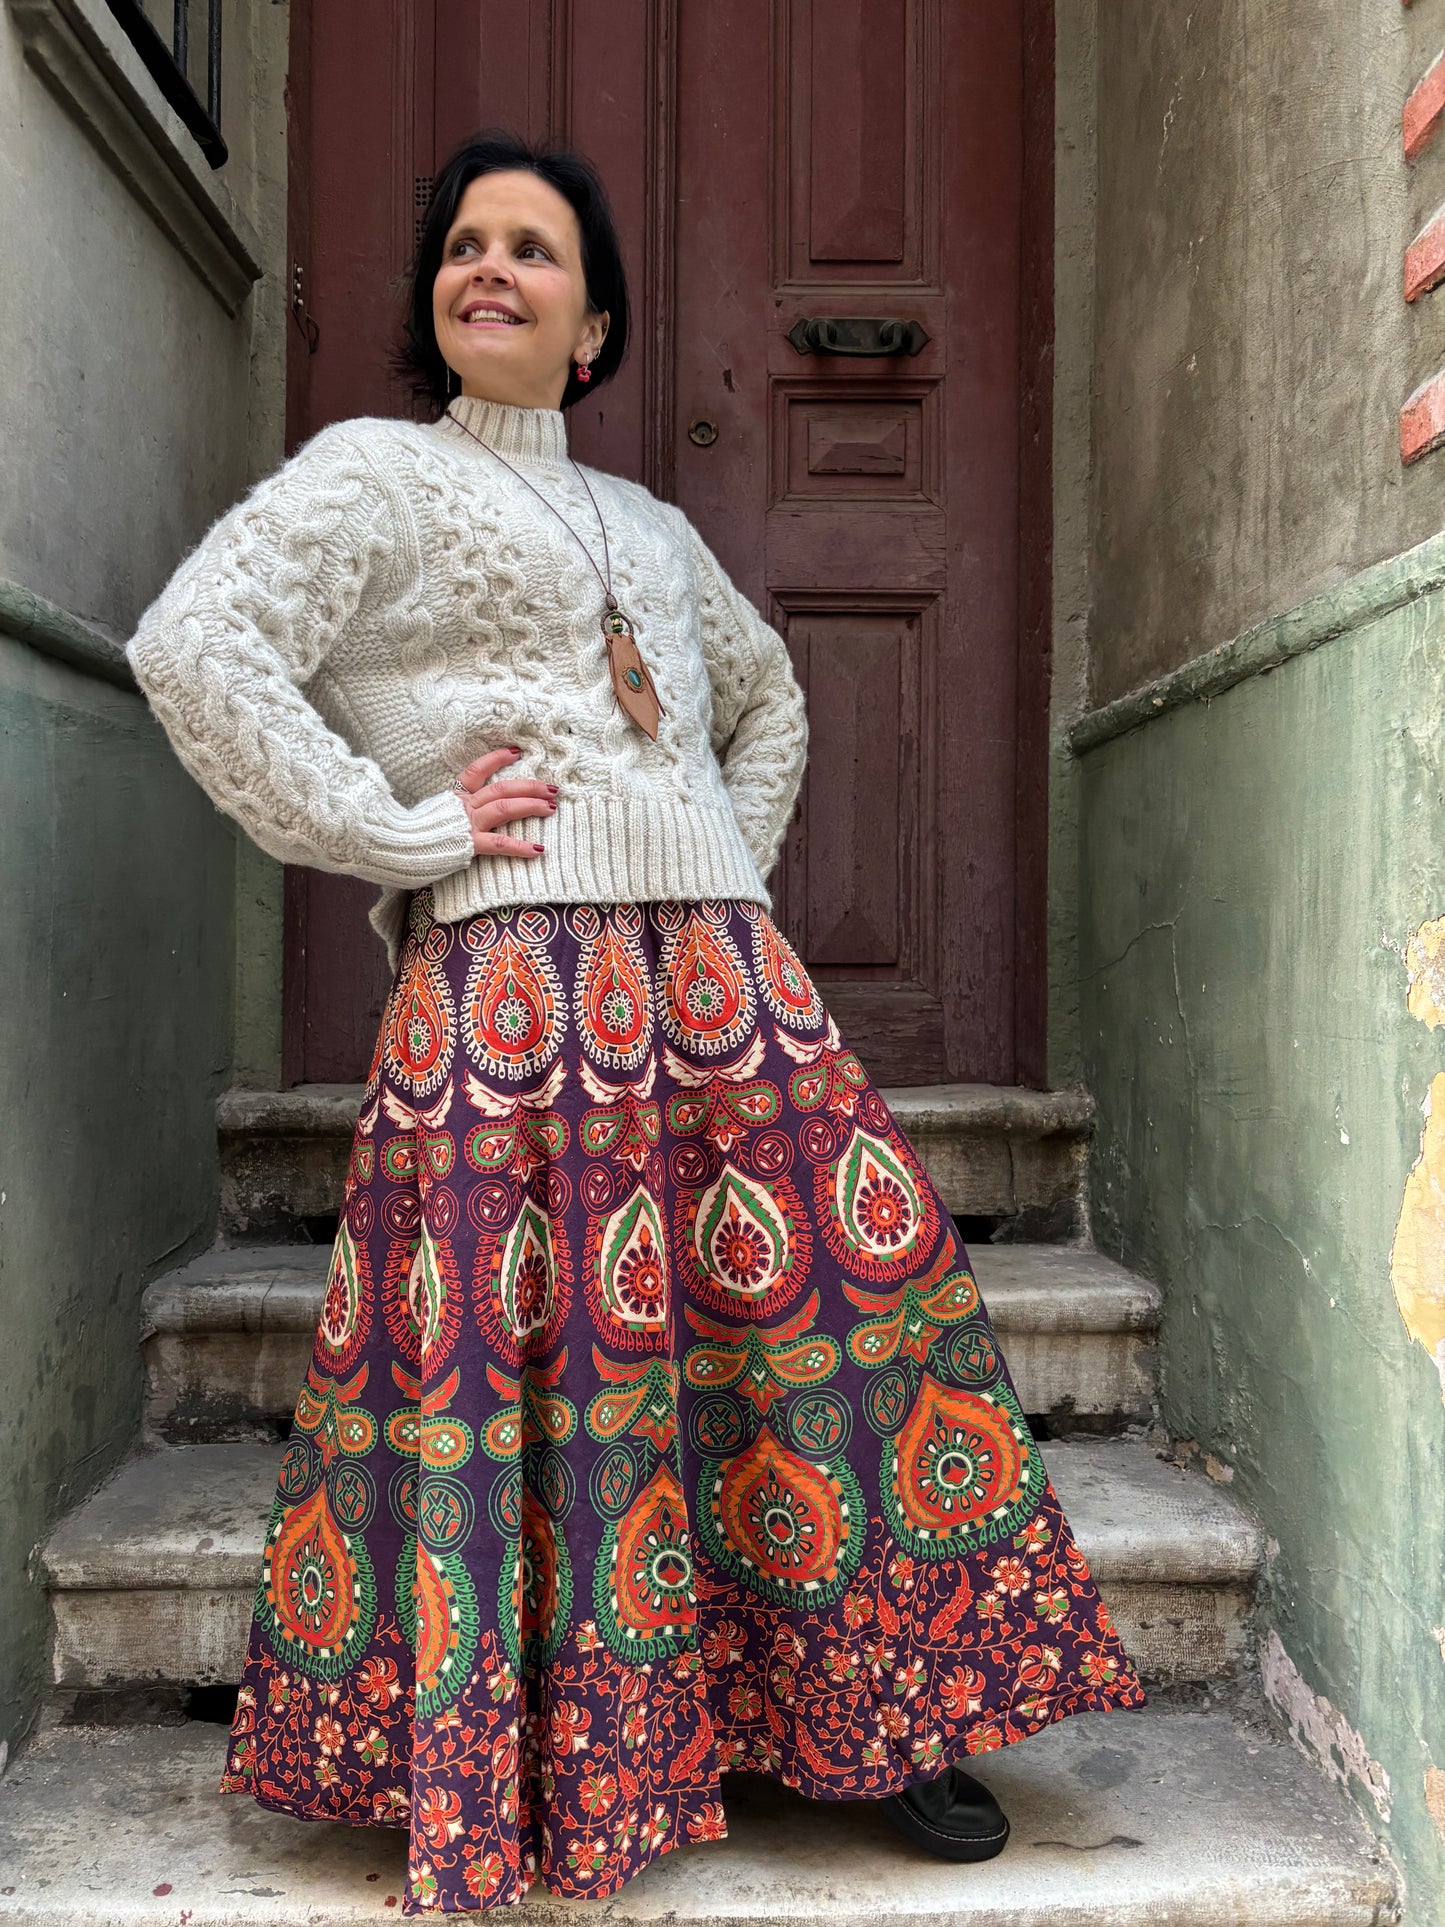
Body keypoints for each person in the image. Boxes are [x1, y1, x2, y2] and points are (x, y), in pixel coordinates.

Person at [125, 127, 1145, 1917]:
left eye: (531, 248)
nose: (487, 268)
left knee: (829, 1334)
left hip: (720, 979)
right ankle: (530, 1745)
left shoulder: (656, 525)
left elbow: (771, 699)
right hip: (506, 988)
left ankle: (873, 1718)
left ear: (592, 326)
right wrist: (398, 834)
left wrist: (709, 865)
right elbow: (193, 648)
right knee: (548, 1373)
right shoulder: (370, 475)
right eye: (461, 246)